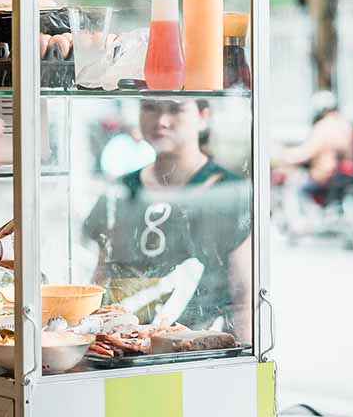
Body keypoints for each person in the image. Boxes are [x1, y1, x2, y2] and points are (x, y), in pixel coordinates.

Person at [84, 99, 252, 337]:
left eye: (176, 109)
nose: (161, 121)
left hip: (197, 351)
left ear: (203, 116)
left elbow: (245, 296)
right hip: (120, 349)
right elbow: (101, 279)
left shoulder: (230, 193)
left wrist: (242, 359)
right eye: (150, 107)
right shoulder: (121, 191)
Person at [275, 90, 353, 201]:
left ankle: (304, 218)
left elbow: (306, 153)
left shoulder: (323, 127)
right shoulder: (347, 126)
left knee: (293, 188)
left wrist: (283, 155)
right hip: (343, 177)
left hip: (325, 178)